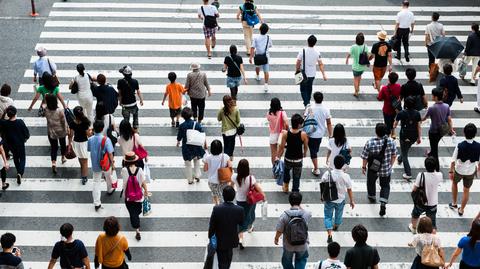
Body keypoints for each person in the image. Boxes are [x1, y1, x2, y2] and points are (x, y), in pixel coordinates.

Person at [360, 123, 397, 217]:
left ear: (376, 132)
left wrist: (364, 167)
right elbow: (394, 155)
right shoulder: (391, 142)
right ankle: (383, 202)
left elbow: (365, 157)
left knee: (371, 182)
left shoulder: (370, 142)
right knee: (385, 185)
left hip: (373, 168)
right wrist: (390, 165)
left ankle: (372, 196)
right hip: (385, 169)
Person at [231, 159, 266, 249]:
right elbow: (258, 188)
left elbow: (231, 186)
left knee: (240, 219)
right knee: (250, 214)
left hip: (239, 200)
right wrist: (263, 196)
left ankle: (241, 239)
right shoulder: (251, 178)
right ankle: (250, 227)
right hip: (250, 201)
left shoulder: (235, 177)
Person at [208, 186, 244, 269]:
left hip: (220, 239)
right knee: (228, 257)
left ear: (223, 196)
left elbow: (212, 225)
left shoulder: (217, 209)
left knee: (221, 259)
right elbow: (241, 223)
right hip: (232, 239)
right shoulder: (239, 209)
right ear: (234, 196)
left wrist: (210, 237)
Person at [320, 155, 355, 244]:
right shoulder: (346, 176)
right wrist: (351, 200)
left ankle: (329, 234)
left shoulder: (328, 173)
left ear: (334, 164)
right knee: (338, 214)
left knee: (328, 216)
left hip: (329, 199)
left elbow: (322, 184)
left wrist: (322, 196)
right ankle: (336, 225)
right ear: (343, 165)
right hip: (340, 200)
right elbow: (349, 189)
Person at [274, 192, 312, 269]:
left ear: (289, 201)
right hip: (302, 243)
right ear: (300, 201)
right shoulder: (306, 213)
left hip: (289, 244)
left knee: (286, 260)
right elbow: (308, 214)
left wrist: (276, 238)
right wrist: (300, 206)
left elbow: (279, 230)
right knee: (301, 259)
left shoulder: (285, 215)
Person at [449, 123, 480, 216]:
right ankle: (461, 210)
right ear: (475, 134)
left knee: (454, 183)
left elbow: (453, 161)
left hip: (459, 170)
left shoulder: (460, 145)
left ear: (464, 132)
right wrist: (478, 169)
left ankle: (454, 203)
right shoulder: (479, 146)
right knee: (466, 190)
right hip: (470, 172)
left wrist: (451, 171)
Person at [422, 87, 454, 172]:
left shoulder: (432, 108)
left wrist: (417, 119)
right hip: (442, 131)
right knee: (434, 145)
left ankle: (437, 168)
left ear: (436, 97)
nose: (431, 97)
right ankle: (430, 153)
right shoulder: (447, 106)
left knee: (435, 150)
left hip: (433, 131)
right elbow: (449, 119)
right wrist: (451, 129)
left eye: (432, 95)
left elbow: (424, 118)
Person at [409, 157, 443, 234]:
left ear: (425, 166)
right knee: (432, 222)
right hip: (433, 203)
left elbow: (415, 189)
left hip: (421, 201)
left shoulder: (421, 175)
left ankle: (414, 228)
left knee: (415, 214)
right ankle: (433, 239)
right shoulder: (439, 175)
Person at [277, 114, 309, 193]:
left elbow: (282, 147)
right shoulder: (303, 134)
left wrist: (278, 157)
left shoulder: (286, 134)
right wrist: (304, 153)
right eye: (301, 124)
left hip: (288, 158)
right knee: (296, 177)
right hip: (298, 160)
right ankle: (295, 192)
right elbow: (305, 146)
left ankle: (285, 187)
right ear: (298, 125)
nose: (301, 125)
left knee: (286, 173)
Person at [88, 120, 115, 211]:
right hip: (106, 163)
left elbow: (89, 149)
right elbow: (110, 153)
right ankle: (109, 189)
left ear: (94, 128)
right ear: (102, 128)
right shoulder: (106, 139)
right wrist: (112, 163)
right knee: (108, 177)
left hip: (96, 164)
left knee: (96, 182)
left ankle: (97, 202)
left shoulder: (90, 139)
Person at [121, 152, 149, 241]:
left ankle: (137, 229)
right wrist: (146, 191)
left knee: (132, 212)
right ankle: (136, 224)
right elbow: (143, 182)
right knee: (137, 211)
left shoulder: (124, 170)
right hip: (138, 196)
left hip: (128, 196)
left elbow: (124, 183)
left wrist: (124, 193)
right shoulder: (140, 170)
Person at [393, 96, 422, 180]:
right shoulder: (417, 113)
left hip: (404, 135)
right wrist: (419, 137)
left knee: (405, 154)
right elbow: (419, 126)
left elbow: (395, 124)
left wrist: (394, 128)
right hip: (413, 136)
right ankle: (400, 158)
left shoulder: (401, 113)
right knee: (406, 148)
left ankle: (408, 173)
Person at [305, 91, 332, 176]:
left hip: (310, 133)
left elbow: (305, 119)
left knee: (313, 151)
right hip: (320, 134)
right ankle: (315, 165)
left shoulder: (309, 108)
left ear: (314, 98)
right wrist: (330, 134)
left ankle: (316, 169)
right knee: (314, 149)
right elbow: (328, 123)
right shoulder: (326, 109)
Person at [0, 106, 29, 185]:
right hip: (20, 143)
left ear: (8, 114)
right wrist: (25, 138)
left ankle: (18, 171)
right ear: (15, 113)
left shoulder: (5, 123)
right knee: (22, 158)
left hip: (11, 145)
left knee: (16, 157)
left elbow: (1, 120)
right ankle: (20, 173)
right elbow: (27, 133)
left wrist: (4, 113)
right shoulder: (20, 122)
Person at [176, 107, 206, 184]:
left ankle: (190, 179)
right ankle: (197, 175)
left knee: (188, 163)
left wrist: (178, 141)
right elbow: (202, 134)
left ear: (182, 116)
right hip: (196, 146)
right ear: (191, 115)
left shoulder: (182, 126)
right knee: (196, 161)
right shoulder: (197, 124)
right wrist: (205, 144)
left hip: (187, 147)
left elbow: (180, 136)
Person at [296, 35, 327, 106]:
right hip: (312, 74)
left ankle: (307, 103)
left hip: (303, 74)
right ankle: (308, 102)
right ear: (315, 43)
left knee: (303, 90)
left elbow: (298, 62)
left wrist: (297, 70)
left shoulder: (302, 51)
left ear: (307, 42)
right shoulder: (317, 52)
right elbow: (320, 64)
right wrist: (323, 74)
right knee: (309, 88)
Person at [44, 94, 68, 174]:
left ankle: (53, 163)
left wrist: (45, 98)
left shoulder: (46, 110)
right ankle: (63, 157)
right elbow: (63, 122)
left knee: (54, 147)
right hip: (60, 130)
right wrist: (66, 130)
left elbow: (43, 105)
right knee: (63, 144)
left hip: (51, 131)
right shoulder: (60, 110)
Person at [203, 140, 232, 204]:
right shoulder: (225, 156)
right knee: (222, 194)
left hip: (212, 181)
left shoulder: (208, 158)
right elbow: (230, 166)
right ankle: (222, 206)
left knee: (214, 192)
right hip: (223, 180)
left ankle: (216, 204)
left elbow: (205, 169)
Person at [68, 106, 91, 185]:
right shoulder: (85, 123)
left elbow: (70, 135)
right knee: (85, 162)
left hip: (76, 143)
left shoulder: (72, 123)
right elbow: (88, 135)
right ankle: (84, 177)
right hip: (84, 143)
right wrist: (92, 131)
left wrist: (69, 144)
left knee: (81, 160)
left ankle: (82, 172)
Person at [117, 65, 143, 130]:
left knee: (126, 120)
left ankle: (127, 132)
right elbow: (138, 91)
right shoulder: (135, 81)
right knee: (135, 117)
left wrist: (120, 102)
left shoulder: (120, 82)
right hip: (133, 104)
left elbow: (120, 94)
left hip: (125, 104)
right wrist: (141, 100)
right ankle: (135, 129)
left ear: (123, 74)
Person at [377, 72, 401, 136]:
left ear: (389, 79)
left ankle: (388, 134)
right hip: (395, 108)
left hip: (387, 109)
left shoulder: (384, 88)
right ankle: (393, 131)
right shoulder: (398, 86)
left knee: (387, 122)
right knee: (393, 119)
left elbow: (379, 98)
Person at [250, 23, 272, 92]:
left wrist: (251, 57)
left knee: (257, 66)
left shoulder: (256, 38)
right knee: (266, 71)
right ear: (267, 31)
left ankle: (258, 76)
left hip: (258, 56)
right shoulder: (268, 37)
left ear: (259, 29)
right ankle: (266, 85)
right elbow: (270, 45)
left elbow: (252, 48)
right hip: (266, 57)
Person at [217, 95, 240, 160]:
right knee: (232, 143)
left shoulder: (222, 110)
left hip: (225, 131)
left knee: (226, 144)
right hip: (233, 130)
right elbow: (238, 121)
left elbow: (219, 119)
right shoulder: (236, 109)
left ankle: (226, 158)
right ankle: (231, 155)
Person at [346, 33, 369, 97]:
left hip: (355, 67)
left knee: (355, 79)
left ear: (356, 40)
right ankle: (358, 87)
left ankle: (356, 91)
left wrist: (347, 59)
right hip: (362, 67)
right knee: (359, 76)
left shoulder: (353, 47)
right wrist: (367, 63)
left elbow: (349, 54)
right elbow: (367, 56)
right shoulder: (365, 46)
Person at [266, 98, 288, 164]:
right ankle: (278, 162)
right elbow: (286, 123)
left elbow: (268, 120)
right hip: (281, 134)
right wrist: (286, 129)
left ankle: (274, 168)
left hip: (273, 134)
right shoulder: (282, 112)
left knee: (273, 153)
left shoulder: (269, 113)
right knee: (280, 151)